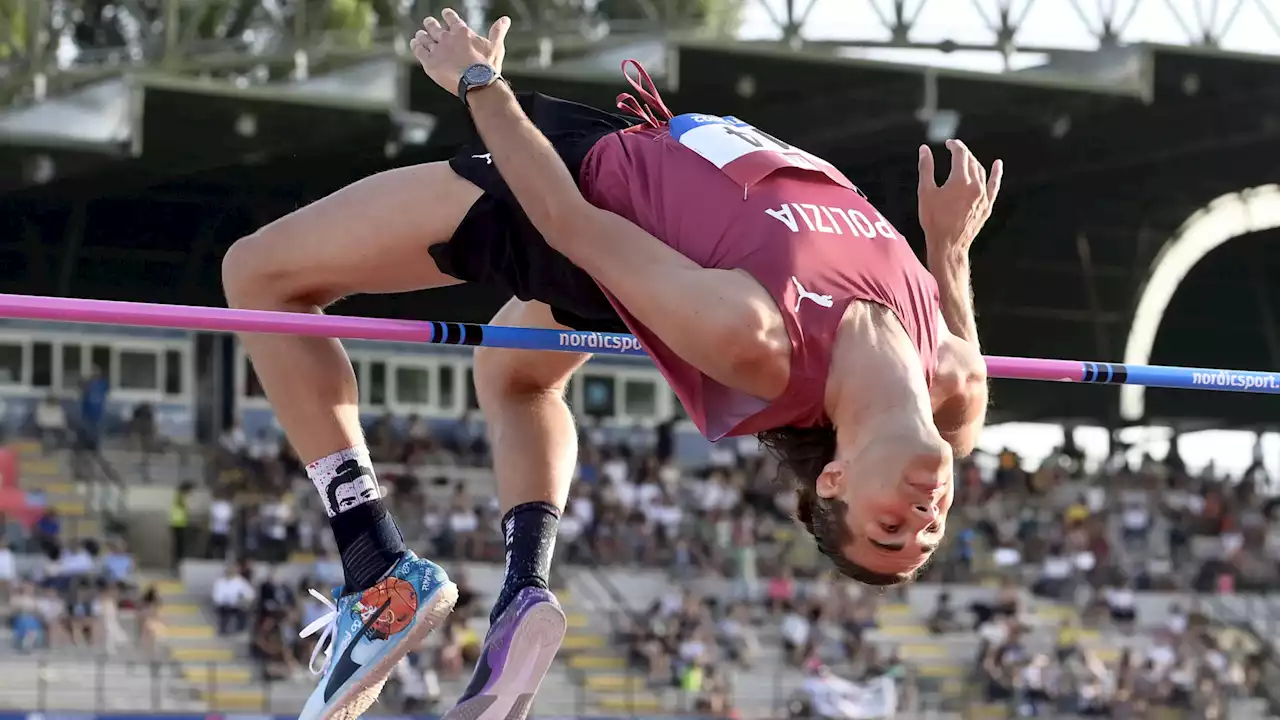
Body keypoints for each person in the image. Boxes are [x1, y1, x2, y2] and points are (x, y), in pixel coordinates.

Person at [220, 9, 1000, 720]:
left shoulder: (756, 338)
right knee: (514, 376)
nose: (924, 517)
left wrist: (478, 80)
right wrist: (949, 252)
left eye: (890, 527)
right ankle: (524, 586)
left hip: (573, 194)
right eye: (926, 531)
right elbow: (963, 374)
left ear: (835, 477)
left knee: (260, 275)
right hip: (652, 236)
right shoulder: (950, 384)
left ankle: (374, 564)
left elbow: (571, 225)